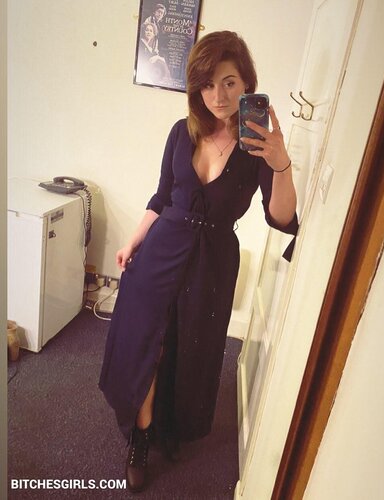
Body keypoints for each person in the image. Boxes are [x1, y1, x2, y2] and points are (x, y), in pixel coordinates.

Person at [99, 30, 298, 493]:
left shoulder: (257, 146)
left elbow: (281, 217)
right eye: (207, 85)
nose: (218, 96)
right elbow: (162, 197)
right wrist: (133, 241)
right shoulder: (181, 131)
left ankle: (171, 425)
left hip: (212, 265)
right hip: (161, 251)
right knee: (148, 343)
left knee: (189, 351)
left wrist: (281, 164)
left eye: (229, 83)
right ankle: (141, 436)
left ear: (247, 84)